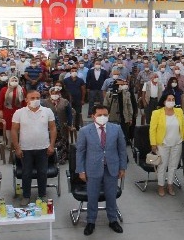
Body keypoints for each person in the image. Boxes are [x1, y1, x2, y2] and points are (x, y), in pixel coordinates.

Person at [76, 105, 126, 235]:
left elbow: (122, 149)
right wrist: (81, 170)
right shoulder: (85, 131)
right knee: (92, 196)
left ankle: (113, 220)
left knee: (111, 196)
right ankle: (91, 221)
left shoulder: (116, 129)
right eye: (99, 115)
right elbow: (80, 152)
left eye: (105, 115)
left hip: (112, 168)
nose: (103, 117)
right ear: (93, 116)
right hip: (92, 169)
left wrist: (122, 167)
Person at [11, 91, 58, 206]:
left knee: (42, 172)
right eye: (32, 98)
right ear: (26, 100)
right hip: (26, 149)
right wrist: (17, 148)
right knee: (26, 173)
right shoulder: (19, 113)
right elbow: (14, 130)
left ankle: (42, 195)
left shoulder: (47, 111)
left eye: (38, 97)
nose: (35, 99)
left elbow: (52, 128)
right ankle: (26, 195)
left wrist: (51, 145)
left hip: (43, 148)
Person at [150, 94, 184, 196]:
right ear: (164, 101)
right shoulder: (157, 113)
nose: (171, 101)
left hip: (177, 143)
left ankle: (170, 184)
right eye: (169, 99)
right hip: (163, 144)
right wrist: (153, 143)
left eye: (173, 99)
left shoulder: (179, 111)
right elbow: (152, 129)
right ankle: (161, 186)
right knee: (162, 165)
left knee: (173, 165)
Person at [42, 87, 74, 165]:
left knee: (62, 142)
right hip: (49, 126)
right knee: (50, 142)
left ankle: (62, 157)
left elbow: (69, 114)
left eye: (56, 93)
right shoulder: (45, 102)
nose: (55, 95)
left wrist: (70, 124)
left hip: (62, 125)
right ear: (50, 94)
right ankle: (51, 159)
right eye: (53, 93)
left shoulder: (65, 102)